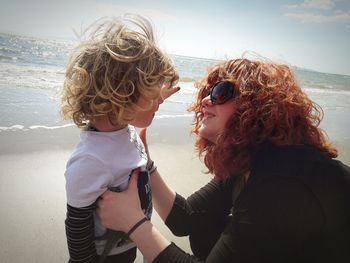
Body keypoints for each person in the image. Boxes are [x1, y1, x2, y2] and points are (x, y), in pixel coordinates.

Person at [96, 58, 350, 263]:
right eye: (207, 91)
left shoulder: (283, 185)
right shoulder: (251, 158)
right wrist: (147, 164)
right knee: (205, 228)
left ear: (257, 104)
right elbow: (186, 219)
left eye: (220, 91)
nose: (206, 99)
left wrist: (134, 224)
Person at [61, 14, 179, 263]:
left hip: (129, 244)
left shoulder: (122, 126)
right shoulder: (91, 159)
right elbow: (77, 229)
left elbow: (137, 110)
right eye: (152, 88)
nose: (159, 99)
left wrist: (154, 99)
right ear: (122, 94)